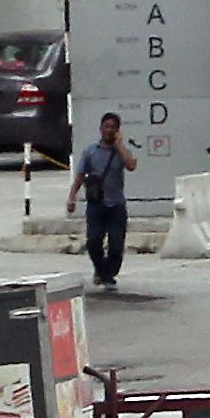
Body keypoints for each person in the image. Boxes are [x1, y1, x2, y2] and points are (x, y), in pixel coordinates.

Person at [63, 110, 139, 292]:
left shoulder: (122, 152)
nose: (109, 130)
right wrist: (72, 197)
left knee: (116, 245)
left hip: (116, 205)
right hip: (96, 204)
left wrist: (119, 145)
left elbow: (131, 165)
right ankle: (102, 271)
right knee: (94, 242)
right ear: (100, 128)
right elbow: (80, 176)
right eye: (106, 126)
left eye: (113, 127)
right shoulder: (90, 152)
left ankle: (108, 275)